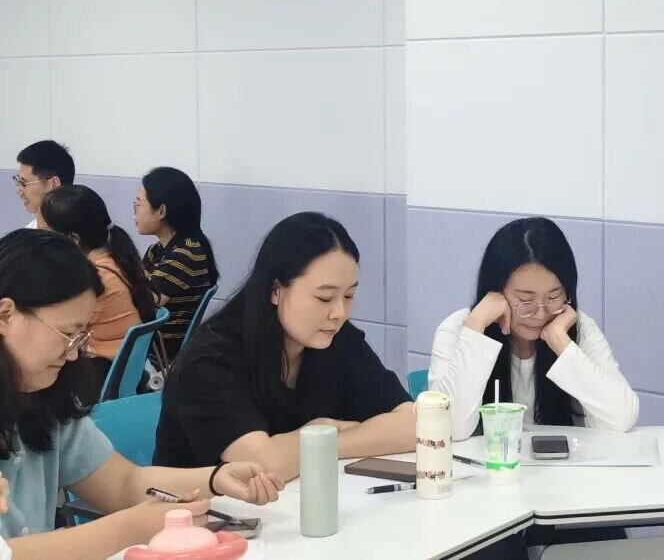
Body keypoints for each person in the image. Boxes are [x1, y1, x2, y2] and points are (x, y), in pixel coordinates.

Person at [0, 229, 282, 559]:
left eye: (80, 338)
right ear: (6, 315)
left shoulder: (47, 400)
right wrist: (129, 528)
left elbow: (122, 482)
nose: (73, 353)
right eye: (67, 334)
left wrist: (215, 479)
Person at [154, 212, 415, 481]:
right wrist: (324, 439)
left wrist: (322, 441)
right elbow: (263, 467)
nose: (339, 313)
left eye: (349, 295)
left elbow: (414, 423)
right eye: (324, 298)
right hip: (201, 506)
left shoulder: (337, 338)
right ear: (276, 290)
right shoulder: (210, 359)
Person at [429, 216, 638, 439]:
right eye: (525, 301)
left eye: (554, 297)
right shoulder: (458, 329)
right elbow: (451, 429)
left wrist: (562, 343)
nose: (540, 314)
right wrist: (476, 326)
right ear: (495, 291)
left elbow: (621, 418)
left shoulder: (581, 328)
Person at [40, 185, 158, 389]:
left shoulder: (95, 278)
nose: (37, 240)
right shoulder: (114, 258)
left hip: (98, 377)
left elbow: (52, 332)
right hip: (120, 373)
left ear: (73, 239)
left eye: (44, 234)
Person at [134, 167, 218, 361]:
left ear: (161, 211)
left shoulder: (186, 254)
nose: (135, 211)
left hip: (158, 357)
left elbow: (144, 305)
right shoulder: (158, 250)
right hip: (151, 348)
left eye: (138, 204)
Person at [12, 141, 74, 230]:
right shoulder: (30, 230)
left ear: (54, 184)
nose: (18, 191)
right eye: (18, 181)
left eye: (23, 183)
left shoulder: (80, 232)